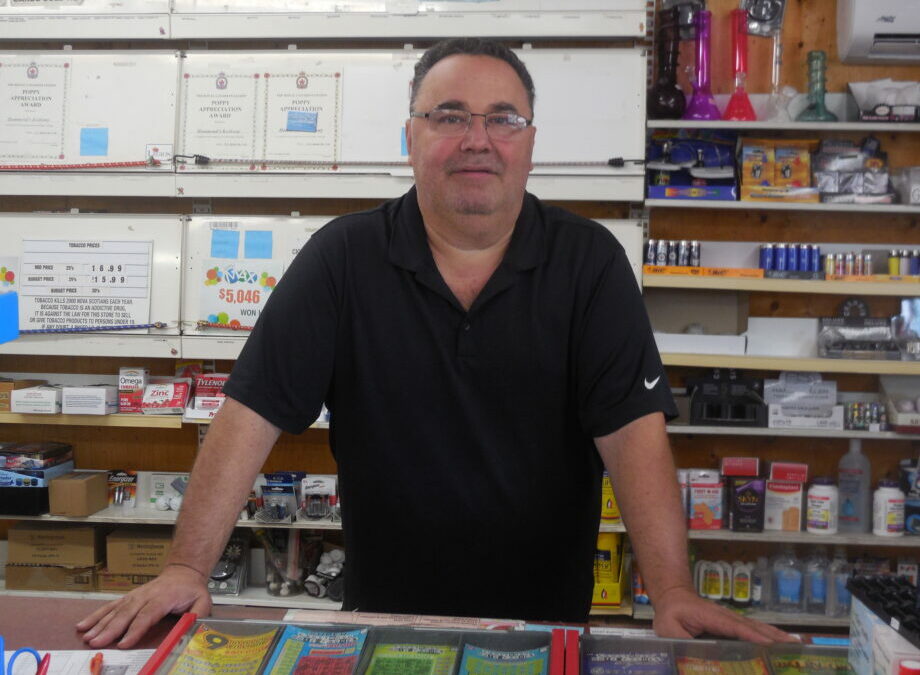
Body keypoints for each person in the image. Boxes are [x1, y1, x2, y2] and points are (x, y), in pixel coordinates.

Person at [77, 38, 792, 648]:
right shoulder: (342, 259)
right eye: (449, 116)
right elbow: (248, 415)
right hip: (386, 625)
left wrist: (669, 588)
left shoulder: (590, 263)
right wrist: (186, 569)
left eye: (502, 119)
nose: (477, 138)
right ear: (411, 137)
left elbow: (634, 434)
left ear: (532, 143)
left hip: (545, 632)